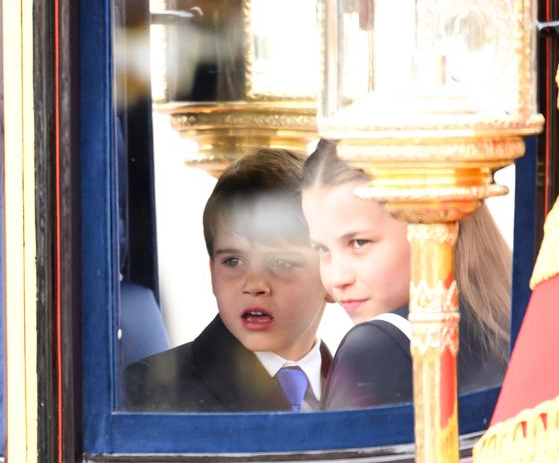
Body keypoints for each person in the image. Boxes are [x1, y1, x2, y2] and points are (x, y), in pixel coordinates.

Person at [301, 139, 511, 410]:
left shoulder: (374, 348)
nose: (336, 278)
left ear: (428, 222)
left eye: (359, 243)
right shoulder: (512, 321)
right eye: (321, 249)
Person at [124, 148, 331, 412]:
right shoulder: (153, 389)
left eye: (281, 263)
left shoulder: (365, 385)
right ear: (212, 272)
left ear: (331, 274)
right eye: (233, 261)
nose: (254, 284)